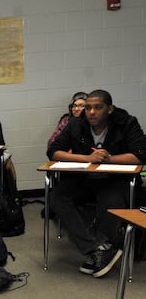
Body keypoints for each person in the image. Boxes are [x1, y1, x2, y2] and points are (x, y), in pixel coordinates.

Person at [47, 89, 146, 278]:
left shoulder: (126, 123)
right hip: (85, 179)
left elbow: (140, 155)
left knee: (111, 198)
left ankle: (99, 249)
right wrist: (87, 158)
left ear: (110, 109)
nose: (91, 112)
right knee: (58, 197)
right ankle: (97, 248)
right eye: (88, 108)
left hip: (115, 179)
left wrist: (109, 159)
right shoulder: (76, 124)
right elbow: (53, 152)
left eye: (98, 108)